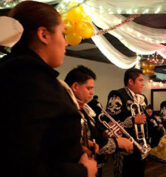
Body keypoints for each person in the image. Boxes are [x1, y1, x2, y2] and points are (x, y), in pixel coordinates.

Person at [0, 1, 97, 177]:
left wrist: (72, 147)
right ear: (44, 34)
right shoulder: (32, 83)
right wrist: (83, 171)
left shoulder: (15, 73)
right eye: (62, 34)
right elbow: (19, 165)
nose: (66, 43)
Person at [64, 65, 134, 177]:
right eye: (89, 88)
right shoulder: (67, 110)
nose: (92, 93)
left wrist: (105, 133)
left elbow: (91, 135)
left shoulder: (84, 109)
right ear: (75, 86)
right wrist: (117, 143)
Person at [106, 68, 161, 177]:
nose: (143, 84)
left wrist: (148, 142)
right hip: (124, 149)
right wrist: (132, 120)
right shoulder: (117, 95)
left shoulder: (142, 98)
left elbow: (145, 122)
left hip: (140, 147)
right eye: (140, 80)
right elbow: (109, 124)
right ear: (130, 82)